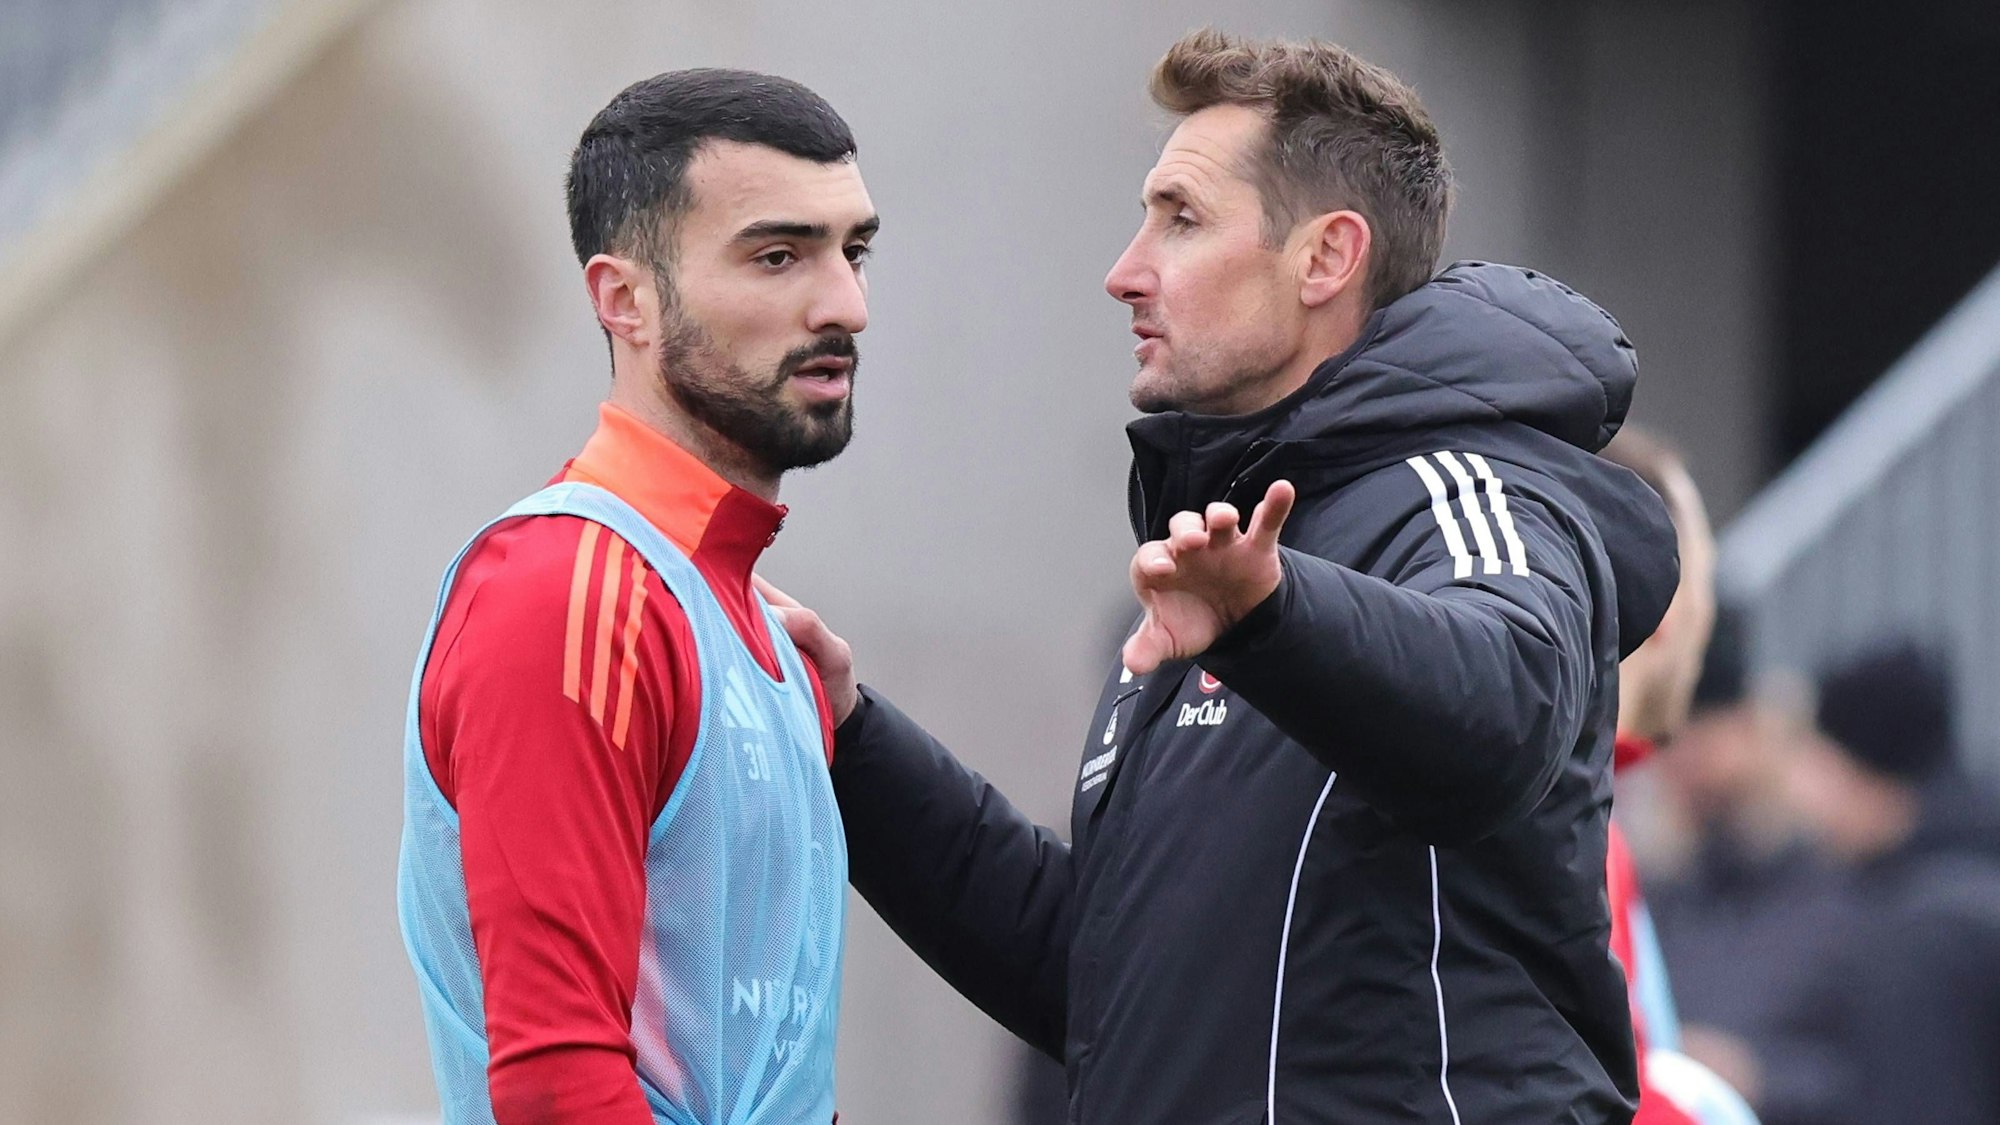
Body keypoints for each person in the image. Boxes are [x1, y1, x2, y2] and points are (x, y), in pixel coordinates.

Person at [771, 30, 1678, 1123]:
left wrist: (1273, 616)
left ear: (1324, 258)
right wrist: (852, 745)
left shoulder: (1466, 492)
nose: (1124, 271)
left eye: (1180, 219)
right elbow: (1112, 984)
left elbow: (1504, 703)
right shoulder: (1233, 559)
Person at [396, 69, 877, 1124]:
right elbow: (559, 1084)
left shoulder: (751, 624)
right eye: (778, 254)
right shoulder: (567, 591)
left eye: (853, 250)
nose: (845, 304)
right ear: (625, 300)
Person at [1752, 642, 2000, 1125]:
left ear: (1861, 769)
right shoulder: (1958, 880)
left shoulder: (1927, 933)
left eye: (1816, 762)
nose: (1802, 794)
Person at [1598, 428, 1758, 1125]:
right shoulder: (1557, 827)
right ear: (1661, 603)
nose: (1707, 612)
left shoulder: (1587, 811)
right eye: (1702, 576)